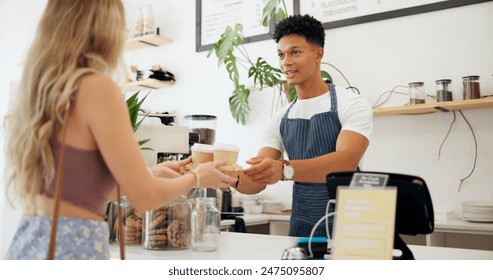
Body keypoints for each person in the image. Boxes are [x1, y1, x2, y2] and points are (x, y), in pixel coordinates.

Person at [3, 0, 237, 260]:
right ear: (106, 28)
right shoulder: (97, 87)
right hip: (73, 245)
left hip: (33, 239)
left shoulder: (47, 91)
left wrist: (151, 174)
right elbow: (146, 198)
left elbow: (78, 188)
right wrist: (197, 178)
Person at [235, 15, 373, 237]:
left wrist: (283, 170)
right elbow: (256, 181)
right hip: (302, 227)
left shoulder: (352, 104)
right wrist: (227, 176)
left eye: (295, 52)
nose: (285, 62)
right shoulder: (280, 118)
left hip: (349, 228)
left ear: (318, 54)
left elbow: (345, 162)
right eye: (281, 55)